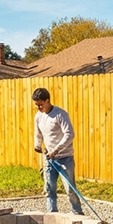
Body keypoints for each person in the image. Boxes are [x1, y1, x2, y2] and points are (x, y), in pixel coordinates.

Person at [32, 87, 83, 215]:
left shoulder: (60, 114)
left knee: (70, 188)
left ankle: (77, 212)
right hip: (49, 159)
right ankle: (52, 214)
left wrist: (56, 150)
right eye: (36, 105)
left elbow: (69, 134)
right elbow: (38, 133)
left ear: (48, 101)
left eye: (40, 104)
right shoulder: (38, 117)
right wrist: (37, 145)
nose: (38, 107)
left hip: (65, 158)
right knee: (49, 189)